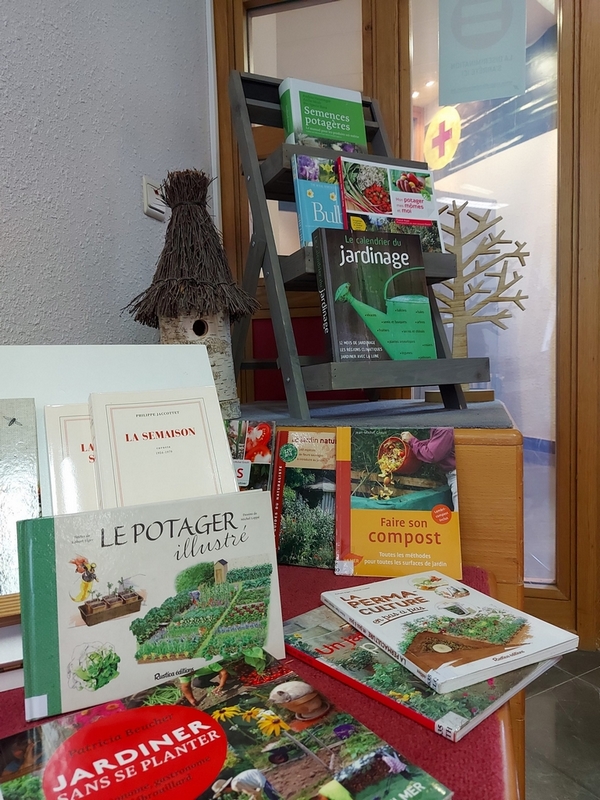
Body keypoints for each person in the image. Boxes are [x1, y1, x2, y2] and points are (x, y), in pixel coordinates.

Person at [400, 428, 458, 511]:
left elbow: (431, 454)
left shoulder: (444, 429)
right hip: (454, 474)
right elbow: (434, 444)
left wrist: (412, 441)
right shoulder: (441, 427)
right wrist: (414, 444)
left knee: (461, 514)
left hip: (458, 475)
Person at [213, 769, 282, 800]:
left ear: (225, 789)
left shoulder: (235, 786)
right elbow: (256, 791)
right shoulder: (236, 780)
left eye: (223, 792)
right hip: (263, 777)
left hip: (264, 781)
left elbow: (254, 793)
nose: (226, 793)